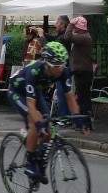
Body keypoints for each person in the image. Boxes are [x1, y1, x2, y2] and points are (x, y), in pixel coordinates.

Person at [7, 41, 87, 180]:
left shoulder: (63, 72)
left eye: (62, 65)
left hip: (37, 92)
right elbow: (31, 106)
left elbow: (70, 99)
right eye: (56, 66)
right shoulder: (34, 71)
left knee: (48, 130)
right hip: (17, 91)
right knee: (36, 122)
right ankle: (31, 162)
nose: (60, 69)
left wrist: (79, 120)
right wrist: (38, 125)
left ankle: (39, 157)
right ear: (47, 63)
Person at [60, 16, 95, 131]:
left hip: (82, 71)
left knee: (83, 99)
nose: (74, 28)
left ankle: (86, 124)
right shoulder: (85, 37)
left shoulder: (83, 37)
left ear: (80, 28)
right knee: (83, 97)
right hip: (83, 70)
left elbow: (67, 37)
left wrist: (70, 24)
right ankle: (86, 122)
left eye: (75, 27)